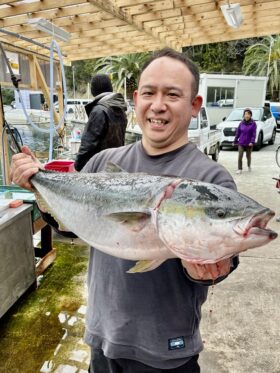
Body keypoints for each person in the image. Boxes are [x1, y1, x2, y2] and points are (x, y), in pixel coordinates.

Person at [10, 48, 239, 373]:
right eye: (149, 92)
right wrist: (37, 183)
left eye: (172, 94)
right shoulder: (103, 163)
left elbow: (223, 257)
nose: (158, 104)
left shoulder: (209, 178)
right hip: (102, 339)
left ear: (194, 105)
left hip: (167, 353)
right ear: (136, 99)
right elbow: (72, 227)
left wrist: (214, 265)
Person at [74, 74, 127, 171]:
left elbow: (88, 144)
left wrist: (78, 167)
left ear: (93, 90)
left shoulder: (99, 110)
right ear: (110, 88)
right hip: (114, 166)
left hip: (99, 167)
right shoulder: (120, 109)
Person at [234, 108, 256, 174]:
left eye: (248, 114)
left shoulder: (253, 124)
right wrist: (235, 140)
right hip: (241, 142)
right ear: (243, 115)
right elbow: (238, 132)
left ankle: (249, 165)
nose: (247, 115)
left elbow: (254, 134)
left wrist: (252, 142)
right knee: (240, 155)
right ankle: (239, 168)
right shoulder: (241, 123)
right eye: (245, 114)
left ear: (250, 115)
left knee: (248, 156)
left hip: (249, 143)